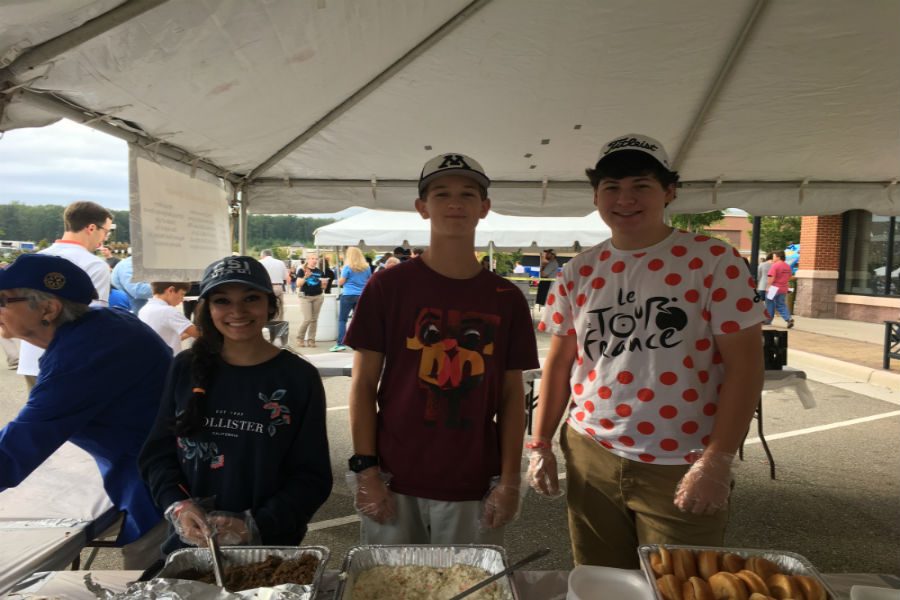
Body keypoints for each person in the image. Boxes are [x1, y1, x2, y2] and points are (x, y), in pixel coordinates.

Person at [527, 134, 765, 568]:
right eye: (612, 188)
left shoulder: (712, 260)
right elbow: (560, 363)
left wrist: (718, 460)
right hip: (590, 451)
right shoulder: (577, 272)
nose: (625, 199)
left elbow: (745, 367)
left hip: (682, 457)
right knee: (601, 582)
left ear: (669, 192)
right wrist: (540, 442)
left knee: (681, 581)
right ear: (596, 196)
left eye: (641, 185)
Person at [345, 152, 539, 545]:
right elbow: (363, 384)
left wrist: (510, 480)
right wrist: (366, 470)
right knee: (391, 588)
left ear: (484, 208)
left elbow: (511, 395)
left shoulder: (506, 297)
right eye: (442, 193)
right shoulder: (387, 287)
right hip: (394, 477)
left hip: (474, 481)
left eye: (468, 194)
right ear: (422, 207)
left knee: (470, 586)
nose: (455, 203)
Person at [139, 255, 333, 556]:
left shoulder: (298, 377)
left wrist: (254, 525)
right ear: (208, 309)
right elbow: (158, 455)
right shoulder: (186, 367)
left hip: (270, 548)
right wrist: (178, 506)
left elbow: (312, 476)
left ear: (271, 304)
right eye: (222, 301)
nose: (237, 311)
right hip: (192, 545)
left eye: (251, 298)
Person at [0, 253, 172, 568]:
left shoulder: (83, 353)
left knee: (160, 578)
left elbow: (19, 445)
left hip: (165, 489)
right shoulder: (102, 327)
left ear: (48, 309)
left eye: (3, 301)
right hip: (158, 474)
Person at [17, 201, 112, 390]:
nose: (105, 239)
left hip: (31, 356)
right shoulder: (94, 264)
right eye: (106, 231)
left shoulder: (32, 260)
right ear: (91, 228)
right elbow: (94, 319)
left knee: (37, 416)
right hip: (71, 360)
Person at [138, 282, 200, 355]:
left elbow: (165, 337)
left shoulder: (144, 310)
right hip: (169, 361)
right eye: (182, 294)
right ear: (171, 290)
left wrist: (188, 332)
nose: (182, 299)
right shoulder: (168, 311)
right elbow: (198, 334)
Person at [331, 246, 371, 352]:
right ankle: (360, 343)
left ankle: (340, 343)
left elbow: (341, 282)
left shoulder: (347, 267)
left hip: (348, 295)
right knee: (359, 320)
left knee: (342, 320)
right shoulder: (366, 267)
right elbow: (369, 281)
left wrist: (339, 279)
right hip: (361, 295)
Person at [296, 254, 329, 348]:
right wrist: (306, 277)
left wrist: (324, 284)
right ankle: (300, 339)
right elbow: (298, 284)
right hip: (305, 297)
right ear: (308, 260)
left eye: (316, 259)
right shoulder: (302, 270)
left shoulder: (319, 271)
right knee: (307, 319)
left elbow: (322, 287)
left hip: (318, 296)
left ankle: (311, 340)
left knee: (314, 320)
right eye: (312, 259)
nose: (314, 260)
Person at [765, 250, 794, 328]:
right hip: (783, 288)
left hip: (774, 288)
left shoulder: (775, 265)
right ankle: (788, 319)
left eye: (774, 256)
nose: (773, 258)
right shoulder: (787, 266)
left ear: (778, 257)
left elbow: (771, 276)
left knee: (769, 303)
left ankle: (768, 320)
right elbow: (790, 277)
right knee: (781, 304)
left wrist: (768, 286)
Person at [259, 249, 289, 320]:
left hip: (265, 287)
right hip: (278, 286)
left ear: (263, 255)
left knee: (266, 308)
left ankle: (267, 325)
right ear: (271, 255)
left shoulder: (260, 262)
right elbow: (285, 277)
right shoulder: (280, 262)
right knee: (279, 309)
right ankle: (279, 326)